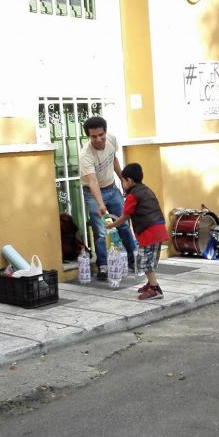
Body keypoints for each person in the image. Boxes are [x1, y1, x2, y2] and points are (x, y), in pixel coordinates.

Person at [80, 116, 137, 281]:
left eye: (101, 135)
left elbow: (114, 159)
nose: (98, 139)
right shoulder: (85, 156)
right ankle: (103, 266)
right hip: (93, 193)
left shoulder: (112, 139)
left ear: (105, 132)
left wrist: (123, 180)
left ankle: (134, 260)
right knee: (101, 232)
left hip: (112, 189)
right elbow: (92, 182)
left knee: (123, 225)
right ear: (89, 137)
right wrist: (100, 204)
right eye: (93, 137)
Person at [106, 163, 169, 300]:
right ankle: (150, 283)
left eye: (123, 181)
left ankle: (155, 289)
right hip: (159, 229)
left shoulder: (133, 196)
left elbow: (125, 216)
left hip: (148, 232)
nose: (122, 184)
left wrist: (111, 225)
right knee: (150, 260)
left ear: (129, 181)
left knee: (145, 262)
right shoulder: (146, 190)